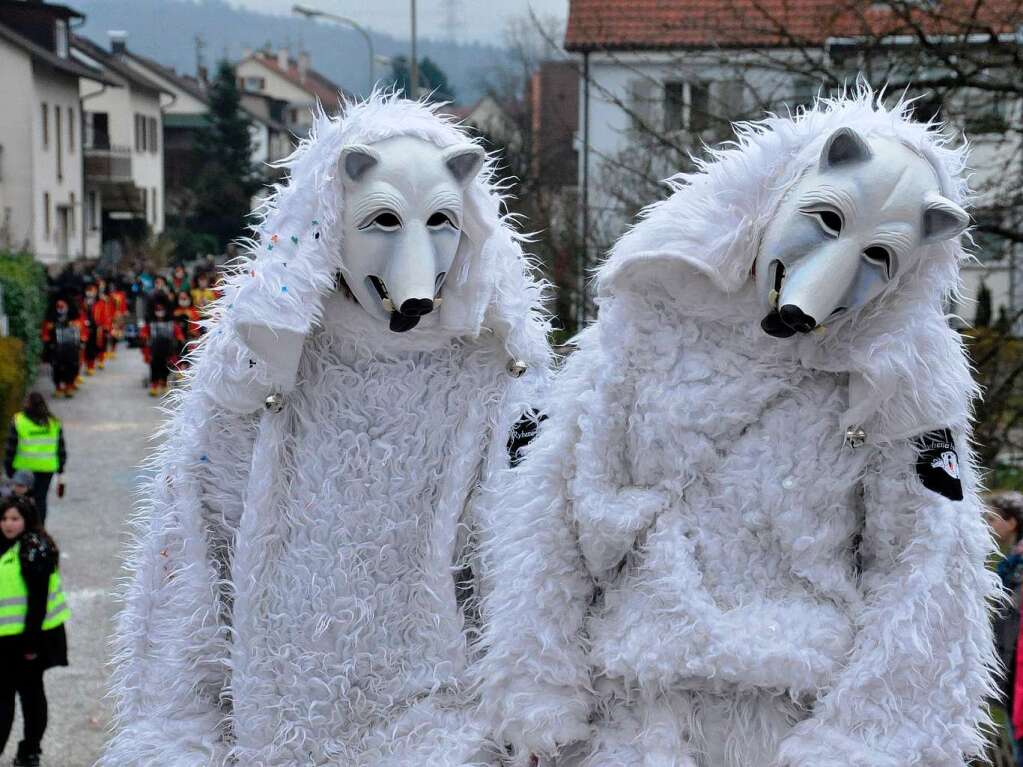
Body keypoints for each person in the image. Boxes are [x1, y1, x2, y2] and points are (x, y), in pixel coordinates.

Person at [0, 495, 70, 766]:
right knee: (5, 699)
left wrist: (30, 645)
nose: (8, 524)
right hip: (6, 640)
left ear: (27, 520)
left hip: (33, 640)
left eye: (15, 518)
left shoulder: (34, 549)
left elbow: (38, 602)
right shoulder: (4, 546)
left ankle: (30, 750)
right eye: (4, 518)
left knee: (30, 697)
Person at [4, 393, 66, 524]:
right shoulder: (53, 423)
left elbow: (11, 447)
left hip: (23, 469)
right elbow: (60, 449)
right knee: (40, 499)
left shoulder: (18, 421)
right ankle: (39, 528)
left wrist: (8, 469)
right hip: (46, 468)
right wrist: (61, 470)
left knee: (21, 500)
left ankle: (24, 528)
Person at [139, 295, 184, 396]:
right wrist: (144, 338)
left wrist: (180, 339)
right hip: (154, 350)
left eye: (162, 309)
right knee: (154, 367)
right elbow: (144, 334)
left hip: (167, 350)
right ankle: (154, 386)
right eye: (157, 309)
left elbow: (178, 333)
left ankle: (163, 385)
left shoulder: (171, 323)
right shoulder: (151, 324)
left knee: (165, 368)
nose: (160, 312)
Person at [40, 295, 83, 399]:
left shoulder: (74, 317)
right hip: (56, 347)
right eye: (58, 305)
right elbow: (45, 333)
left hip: (71, 347)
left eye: (62, 304)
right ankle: (58, 388)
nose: (60, 306)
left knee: (71, 367)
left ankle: (69, 387)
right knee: (56, 368)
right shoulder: (51, 318)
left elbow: (80, 329)